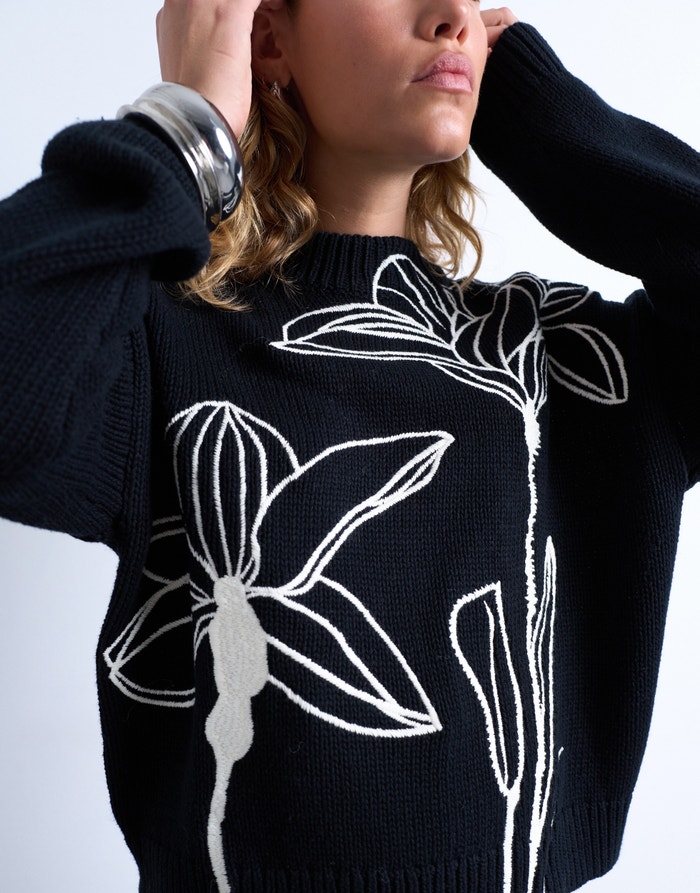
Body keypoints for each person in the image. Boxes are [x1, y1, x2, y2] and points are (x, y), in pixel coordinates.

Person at [1, 2, 699, 892]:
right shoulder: (157, 345)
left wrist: (539, 113)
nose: (450, 16)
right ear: (268, 37)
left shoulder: (550, 364)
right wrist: (185, 132)